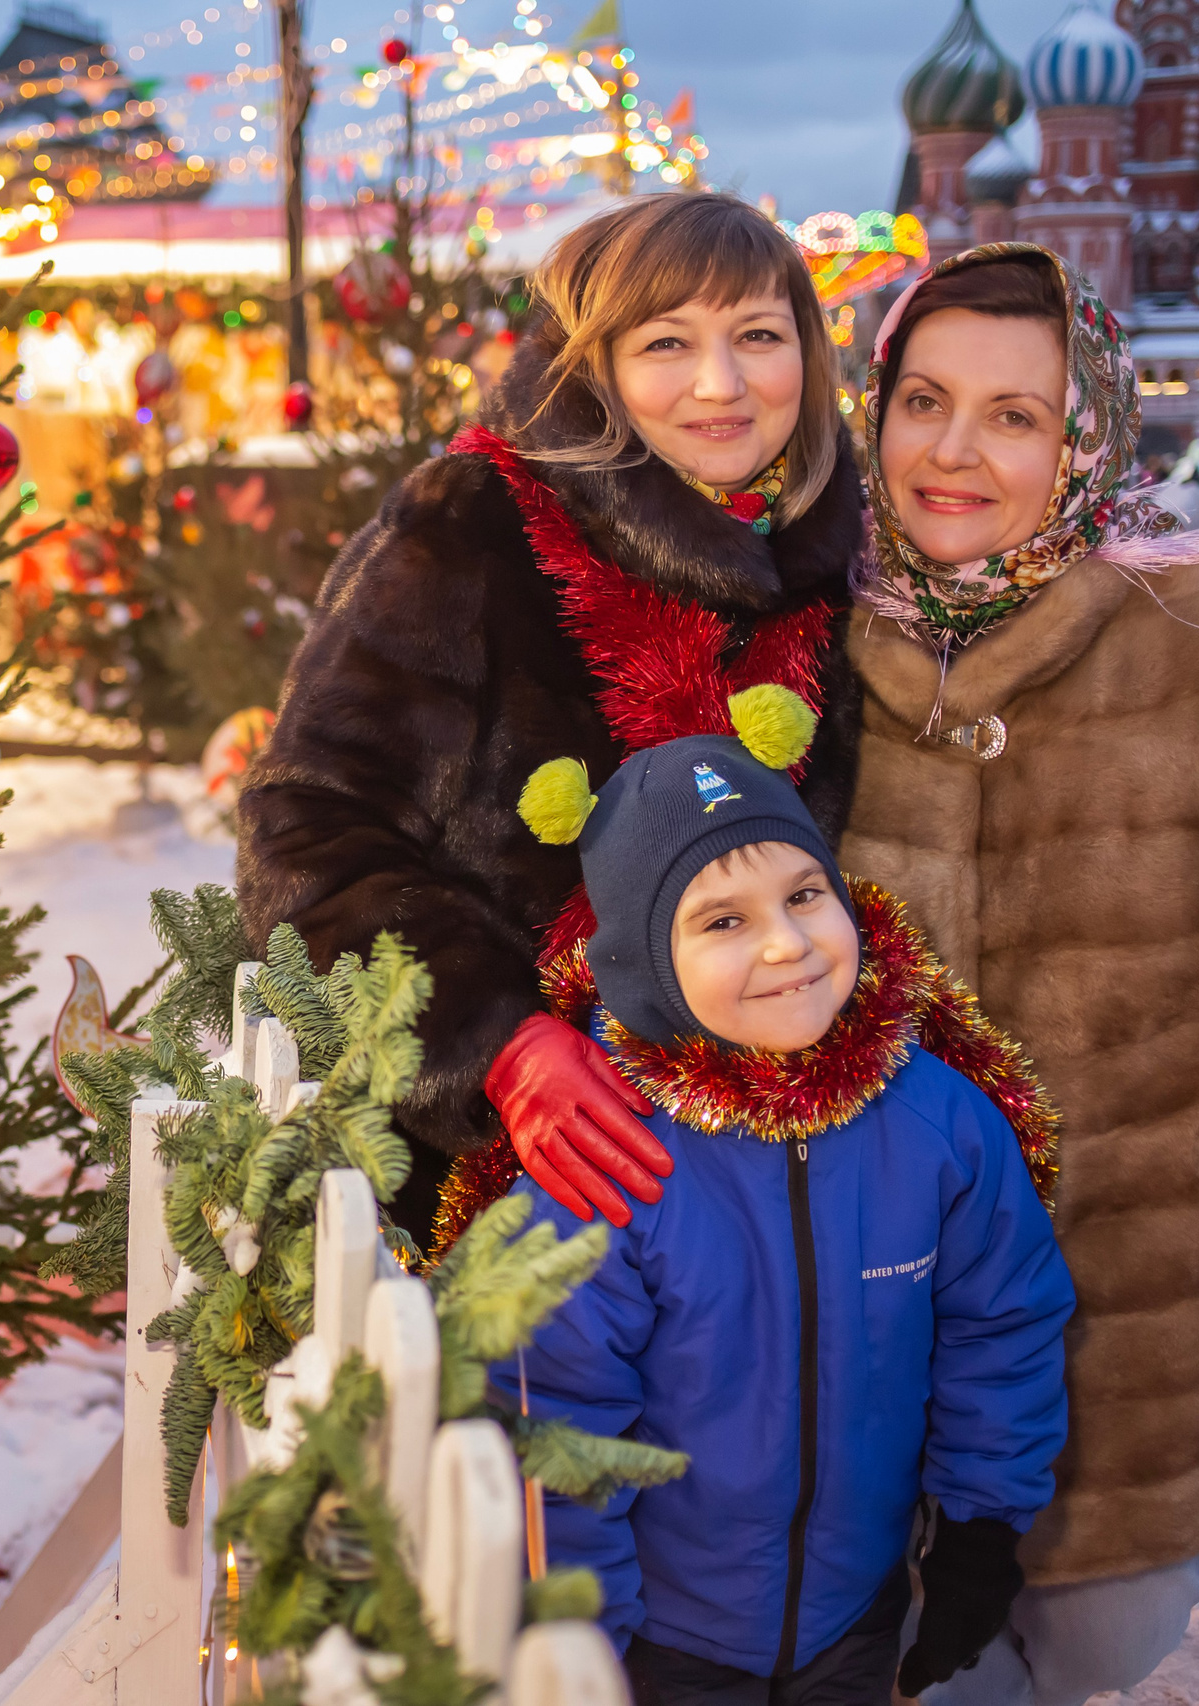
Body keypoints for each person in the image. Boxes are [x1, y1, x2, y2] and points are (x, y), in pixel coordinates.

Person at [455, 244, 1199, 1706]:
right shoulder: (797, 616)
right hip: (806, 1336)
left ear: (1085, 430)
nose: (956, 453)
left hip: (1125, 1311)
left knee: (1086, 1642)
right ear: (873, 406)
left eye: (1016, 416)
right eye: (924, 400)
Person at [237, 192, 866, 1239]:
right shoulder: (472, 528)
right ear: (595, 366)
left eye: (758, 334)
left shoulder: (831, 569)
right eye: (667, 341)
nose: (723, 383)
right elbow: (307, 836)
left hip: (769, 1179)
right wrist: (498, 1041)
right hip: (500, 1193)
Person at [493, 719, 1074, 1706]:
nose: (786, 941)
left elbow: (1002, 1324)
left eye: (805, 893)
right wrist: (577, 1640)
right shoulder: (611, 1163)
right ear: (645, 963)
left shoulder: (939, 1121)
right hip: (662, 1639)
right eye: (720, 920)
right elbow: (551, 1422)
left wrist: (980, 1529)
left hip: (858, 1615)